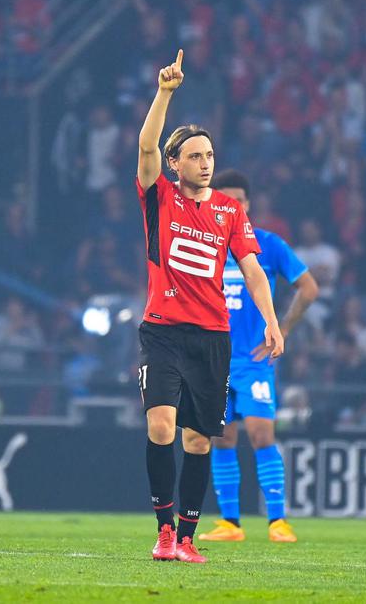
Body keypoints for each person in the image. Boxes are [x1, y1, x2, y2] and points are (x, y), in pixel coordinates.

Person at [135, 50, 283, 564]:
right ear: (176, 164)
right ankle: (164, 533)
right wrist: (165, 93)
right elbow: (147, 144)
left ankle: (189, 538)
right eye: (195, 156)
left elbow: (254, 269)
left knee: (200, 441)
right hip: (162, 331)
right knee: (160, 426)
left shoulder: (229, 211)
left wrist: (271, 319)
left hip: (212, 337)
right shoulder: (159, 196)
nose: (205, 164)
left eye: (209, 156)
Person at [198, 169, 318, 545]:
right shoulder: (204, 246)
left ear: (248, 204)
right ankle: (230, 524)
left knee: (262, 434)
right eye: (225, 198)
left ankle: (278, 521)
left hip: (253, 362)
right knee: (221, 438)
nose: (232, 205)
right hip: (213, 359)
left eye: (239, 199)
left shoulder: (268, 245)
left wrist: (280, 328)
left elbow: (309, 288)